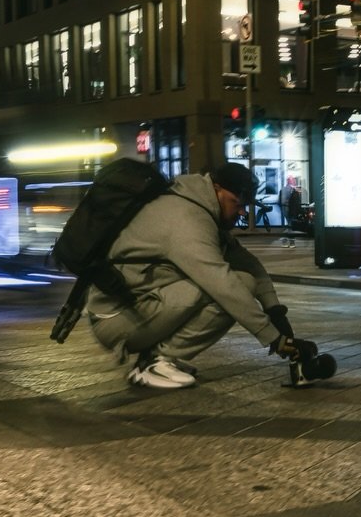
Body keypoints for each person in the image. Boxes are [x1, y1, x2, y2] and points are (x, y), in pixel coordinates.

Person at [84, 162, 299, 390]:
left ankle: (158, 357)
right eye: (236, 203)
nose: (242, 212)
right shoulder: (186, 218)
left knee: (243, 280)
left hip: (139, 307)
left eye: (245, 205)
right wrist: (276, 340)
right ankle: (155, 363)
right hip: (117, 320)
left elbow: (249, 264)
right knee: (235, 287)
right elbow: (222, 284)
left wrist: (275, 311)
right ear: (217, 189)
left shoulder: (198, 207)